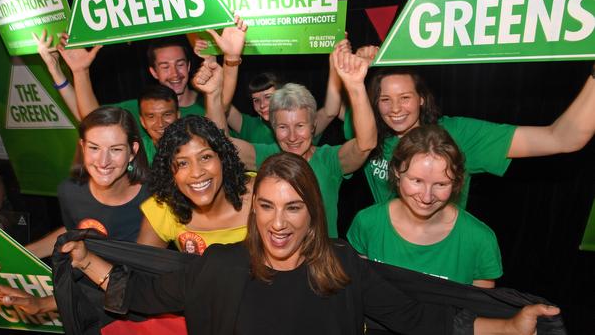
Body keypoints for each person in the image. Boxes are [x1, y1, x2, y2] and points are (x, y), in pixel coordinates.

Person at [60, 152, 560, 335]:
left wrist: (511, 327)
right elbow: (141, 295)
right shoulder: (220, 264)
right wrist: (85, 260)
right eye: (267, 206)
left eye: (294, 207)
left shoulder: (342, 264)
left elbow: (418, 318)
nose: (279, 223)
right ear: (253, 210)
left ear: (312, 214)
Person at [340, 65, 595, 208]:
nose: (395, 109)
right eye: (385, 100)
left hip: (441, 260)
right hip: (383, 253)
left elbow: (563, 138)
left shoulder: (458, 135)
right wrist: (345, 63)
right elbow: (334, 109)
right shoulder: (367, 133)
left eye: (405, 97)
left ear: (422, 98)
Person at [0, 106, 149, 314]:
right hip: (88, 300)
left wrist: (44, 304)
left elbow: (140, 280)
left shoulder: (155, 199)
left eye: (116, 149)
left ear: (133, 151)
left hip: (138, 306)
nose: (103, 161)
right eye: (94, 148)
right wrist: (12, 256)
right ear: (82, 147)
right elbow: (73, 232)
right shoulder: (71, 191)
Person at [197, 48, 376, 237]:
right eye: (283, 127)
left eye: (300, 126)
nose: (292, 137)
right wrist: (213, 94)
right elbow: (219, 144)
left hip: (320, 260)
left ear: (313, 126)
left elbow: (366, 144)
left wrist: (356, 87)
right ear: (273, 128)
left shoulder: (329, 160)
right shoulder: (267, 156)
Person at [348, 125, 502, 288]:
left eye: (441, 184)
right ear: (396, 173)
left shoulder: (479, 240)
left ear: (456, 181)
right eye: (417, 181)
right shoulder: (368, 223)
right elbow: (358, 294)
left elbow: (481, 308)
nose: (427, 197)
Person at [34, 32, 180, 164]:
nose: (175, 74)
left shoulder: (201, 107)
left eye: (180, 64)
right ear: (153, 71)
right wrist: (66, 70)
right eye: (165, 66)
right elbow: (91, 118)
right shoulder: (141, 108)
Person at [193, 25, 348, 145]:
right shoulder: (248, 125)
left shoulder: (302, 123)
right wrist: (211, 59)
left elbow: (330, 111)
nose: (262, 104)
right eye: (256, 100)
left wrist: (336, 60)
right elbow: (220, 106)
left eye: (268, 97)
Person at [136, 115, 254, 254]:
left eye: (205, 157)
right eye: (182, 163)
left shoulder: (260, 194)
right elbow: (140, 269)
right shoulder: (164, 208)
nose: (196, 173)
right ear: (170, 173)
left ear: (222, 159)